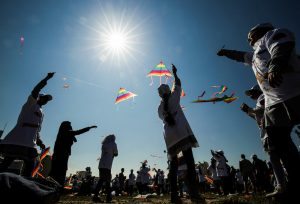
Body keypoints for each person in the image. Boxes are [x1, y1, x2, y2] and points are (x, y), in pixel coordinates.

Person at [217, 23, 300, 198]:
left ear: (258, 32)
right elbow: (240, 56)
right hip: (274, 102)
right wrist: (226, 53)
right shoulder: (253, 55)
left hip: (295, 93)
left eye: (250, 36)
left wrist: (276, 64)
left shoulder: (271, 35)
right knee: (276, 142)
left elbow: (282, 45)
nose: (248, 39)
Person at [157, 64, 204, 203]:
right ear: (168, 91)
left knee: (173, 165)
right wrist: (175, 73)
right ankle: (194, 193)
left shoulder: (159, 108)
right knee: (189, 161)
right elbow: (177, 84)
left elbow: (163, 117)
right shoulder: (174, 98)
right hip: (181, 132)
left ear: (159, 95)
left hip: (169, 136)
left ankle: (174, 195)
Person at [0, 72, 54, 177]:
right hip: (17, 139)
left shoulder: (41, 112)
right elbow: (35, 90)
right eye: (45, 98)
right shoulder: (31, 103)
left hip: (29, 142)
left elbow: (37, 130)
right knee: (7, 163)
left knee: (31, 167)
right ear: (39, 98)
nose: (46, 101)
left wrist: (40, 142)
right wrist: (47, 78)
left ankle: (24, 185)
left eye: (47, 100)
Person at [241, 85, 287, 196]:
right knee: (277, 157)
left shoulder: (262, 97)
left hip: (269, 133)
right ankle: (282, 184)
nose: (251, 95)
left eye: (252, 92)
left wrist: (249, 109)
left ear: (258, 91)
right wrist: (248, 111)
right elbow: (257, 117)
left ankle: (281, 185)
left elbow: (265, 108)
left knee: (274, 158)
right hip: (266, 133)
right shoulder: (258, 101)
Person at [49, 121, 97, 186]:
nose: (71, 126)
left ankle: (54, 185)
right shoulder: (67, 132)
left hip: (61, 154)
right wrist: (89, 128)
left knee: (57, 170)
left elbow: (75, 139)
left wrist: (72, 135)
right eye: (69, 125)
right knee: (60, 170)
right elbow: (78, 132)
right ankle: (57, 185)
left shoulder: (64, 133)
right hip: (62, 154)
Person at [92, 134, 118, 203]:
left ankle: (96, 196)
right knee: (108, 182)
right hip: (107, 165)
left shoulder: (104, 144)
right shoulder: (113, 143)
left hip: (101, 165)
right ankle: (108, 198)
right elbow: (116, 154)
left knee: (101, 181)